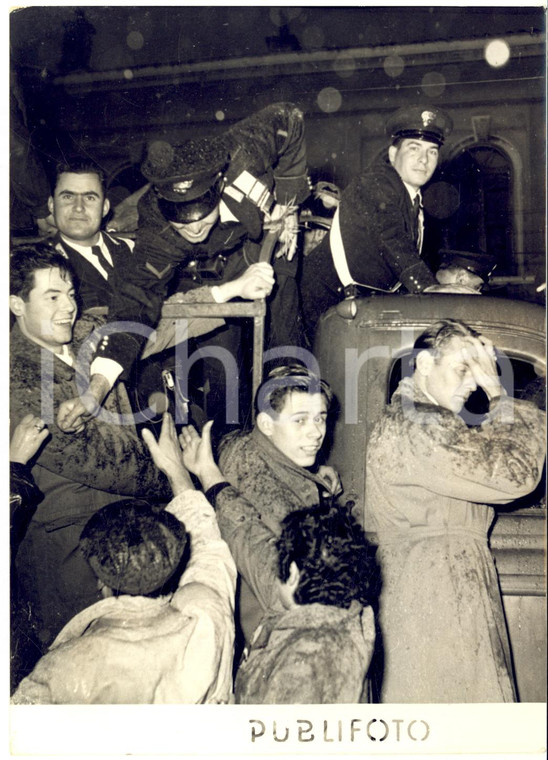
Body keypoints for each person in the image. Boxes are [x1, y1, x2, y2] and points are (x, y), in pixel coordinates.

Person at [57, 102, 310, 434]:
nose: (192, 229)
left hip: (258, 242)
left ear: (219, 186)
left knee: (284, 305)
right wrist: (97, 388)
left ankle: (293, 395)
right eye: (181, 220)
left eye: (200, 215)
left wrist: (290, 204)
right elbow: (134, 303)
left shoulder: (244, 153)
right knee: (225, 372)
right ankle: (226, 444)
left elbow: (289, 118)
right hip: (207, 269)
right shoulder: (158, 228)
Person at [365, 318, 546, 703]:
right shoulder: (419, 425)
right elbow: (515, 474)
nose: (472, 383)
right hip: (436, 592)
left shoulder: (427, 421)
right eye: (463, 369)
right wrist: (497, 389)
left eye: (477, 372)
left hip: (443, 584)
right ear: (424, 365)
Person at [11, 413, 237, 705]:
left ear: (100, 581)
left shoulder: (62, 668)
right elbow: (208, 544)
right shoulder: (206, 616)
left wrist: (13, 468)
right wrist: (177, 471)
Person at [10, 244, 170, 652]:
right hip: (70, 550)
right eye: (52, 297)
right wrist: (176, 477)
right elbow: (109, 462)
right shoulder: (16, 378)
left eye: (70, 294)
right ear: (15, 304)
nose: (69, 307)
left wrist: (229, 291)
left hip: (122, 526)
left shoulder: (84, 334)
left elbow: (140, 315)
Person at [179, 421, 379, 704]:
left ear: (294, 574)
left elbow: (248, 536)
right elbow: (249, 535)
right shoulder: (355, 617)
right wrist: (207, 472)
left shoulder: (299, 663)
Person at [299, 104, 453, 342]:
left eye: (432, 151)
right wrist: (429, 287)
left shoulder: (413, 201)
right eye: (414, 148)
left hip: (357, 311)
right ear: (393, 155)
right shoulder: (378, 182)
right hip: (321, 312)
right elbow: (390, 236)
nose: (424, 160)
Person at [216, 364, 342, 644]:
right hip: (276, 635)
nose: (316, 433)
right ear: (266, 424)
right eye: (300, 421)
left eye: (320, 418)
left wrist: (312, 475)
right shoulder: (266, 489)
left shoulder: (250, 449)